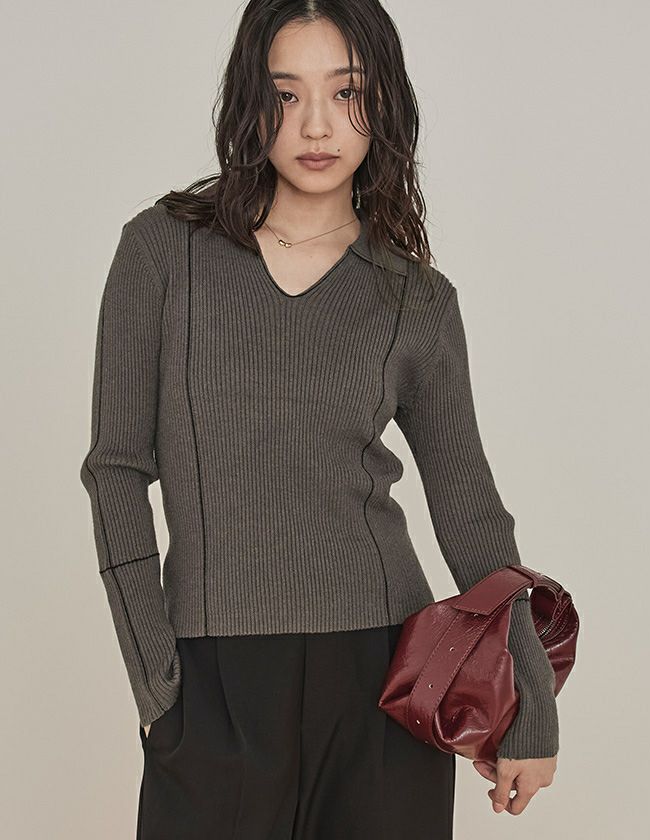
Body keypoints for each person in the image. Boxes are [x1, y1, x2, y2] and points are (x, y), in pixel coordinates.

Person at [79, 1, 559, 836]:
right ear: (249, 102)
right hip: (213, 684)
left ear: (384, 104)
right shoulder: (163, 253)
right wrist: (157, 680)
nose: (316, 125)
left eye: (346, 92)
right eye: (285, 93)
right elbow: (116, 469)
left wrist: (532, 700)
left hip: (384, 683)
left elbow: (471, 511)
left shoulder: (414, 297)